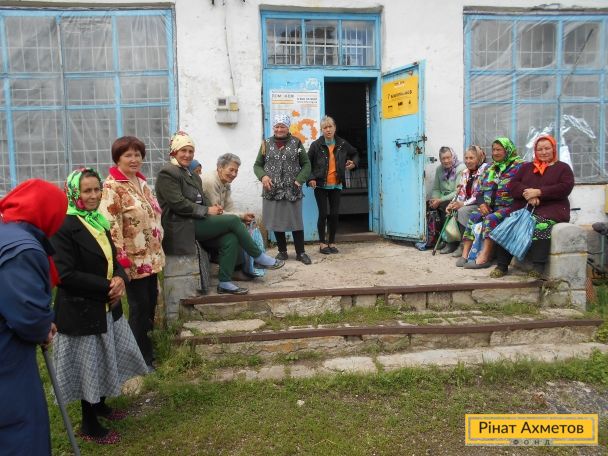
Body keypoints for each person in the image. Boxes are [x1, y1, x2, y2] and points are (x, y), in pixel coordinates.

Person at [51, 168, 148, 444]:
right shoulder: (64, 226)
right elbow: (65, 274)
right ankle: (89, 425)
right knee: (88, 364)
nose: (93, 195)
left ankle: (101, 406)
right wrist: (108, 286)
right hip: (81, 309)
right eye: (87, 191)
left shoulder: (98, 220)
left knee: (107, 354)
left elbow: (113, 257)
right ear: (74, 193)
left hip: (106, 305)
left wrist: (119, 278)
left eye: (96, 189)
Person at [156, 131, 284, 295]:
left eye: (190, 151)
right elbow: (178, 204)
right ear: (174, 151)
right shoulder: (168, 172)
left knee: (230, 238)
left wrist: (213, 209)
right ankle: (258, 256)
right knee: (233, 221)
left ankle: (224, 282)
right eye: (183, 150)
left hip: (196, 221)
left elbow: (202, 200)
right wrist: (207, 210)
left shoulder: (192, 175)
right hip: (181, 225)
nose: (187, 155)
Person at [0, 179, 66, 456]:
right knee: (19, 429)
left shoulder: (5, 232)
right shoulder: (23, 250)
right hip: (7, 357)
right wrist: (43, 327)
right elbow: (27, 313)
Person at [98, 136, 165, 370]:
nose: (134, 159)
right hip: (132, 261)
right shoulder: (112, 187)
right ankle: (138, 361)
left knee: (150, 306)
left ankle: (147, 352)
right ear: (117, 158)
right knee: (138, 309)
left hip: (151, 258)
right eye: (128, 155)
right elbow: (111, 227)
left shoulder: (142, 183)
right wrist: (121, 261)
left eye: (137, 155)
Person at [490, 134, 575, 278]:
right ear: (535, 151)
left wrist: (540, 192)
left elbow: (565, 187)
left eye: (547, 148)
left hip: (551, 210)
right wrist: (528, 193)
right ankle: (502, 266)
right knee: (508, 226)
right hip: (525, 209)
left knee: (540, 225)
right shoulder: (526, 167)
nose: (543, 152)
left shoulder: (563, 168)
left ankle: (538, 266)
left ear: (554, 149)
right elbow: (513, 185)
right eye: (540, 149)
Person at [254, 114, 312, 264]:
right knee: (276, 221)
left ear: (288, 127)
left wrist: (300, 179)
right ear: (273, 127)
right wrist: (263, 177)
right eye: (277, 126)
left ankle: (301, 253)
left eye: (282, 126)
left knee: (296, 222)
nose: (279, 129)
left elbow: (306, 164)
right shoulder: (266, 144)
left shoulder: (296, 143)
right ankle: (282, 252)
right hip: (272, 189)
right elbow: (257, 165)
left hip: (292, 189)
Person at [457, 137, 524, 269]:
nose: (495, 153)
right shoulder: (490, 168)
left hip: (509, 207)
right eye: (493, 150)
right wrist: (482, 204)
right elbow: (479, 191)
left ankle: (485, 257)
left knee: (490, 218)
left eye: (499, 150)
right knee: (474, 215)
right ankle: (466, 254)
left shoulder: (519, 166)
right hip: (489, 206)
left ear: (508, 150)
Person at [307, 115, 358, 254]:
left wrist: (354, 163)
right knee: (323, 214)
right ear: (321, 130)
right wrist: (311, 178)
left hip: (336, 184)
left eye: (330, 127)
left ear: (335, 128)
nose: (328, 130)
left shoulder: (342, 144)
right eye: (325, 127)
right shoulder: (316, 145)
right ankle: (322, 243)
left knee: (334, 214)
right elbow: (307, 163)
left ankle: (332, 242)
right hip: (320, 185)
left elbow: (355, 153)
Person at [419, 146, 466, 251]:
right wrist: (435, 200)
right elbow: (436, 188)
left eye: (448, 157)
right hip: (443, 197)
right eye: (443, 158)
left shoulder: (461, 168)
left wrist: (440, 200)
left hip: (457, 197)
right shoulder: (439, 169)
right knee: (429, 206)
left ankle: (450, 241)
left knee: (446, 206)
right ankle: (436, 238)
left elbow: (457, 191)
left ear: (453, 156)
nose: (446, 161)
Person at [444, 145, 488, 256]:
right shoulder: (466, 172)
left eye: (471, 158)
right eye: (466, 158)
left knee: (462, 211)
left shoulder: (485, 170)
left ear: (479, 158)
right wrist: (453, 203)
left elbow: (479, 193)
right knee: (451, 208)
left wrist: (463, 204)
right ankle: (451, 242)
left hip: (482, 203)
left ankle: (463, 245)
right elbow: (462, 192)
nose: (468, 161)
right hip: (468, 203)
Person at [201, 153, 255, 224]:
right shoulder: (210, 181)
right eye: (231, 170)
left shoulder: (226, 183)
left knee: (244, 224)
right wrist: (241, 217)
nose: (234, 174)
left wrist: (242, 216)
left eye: (236, 171)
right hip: (204, 220)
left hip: (216, 218)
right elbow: (216, 212)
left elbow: (229, 207)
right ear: (220, 168)